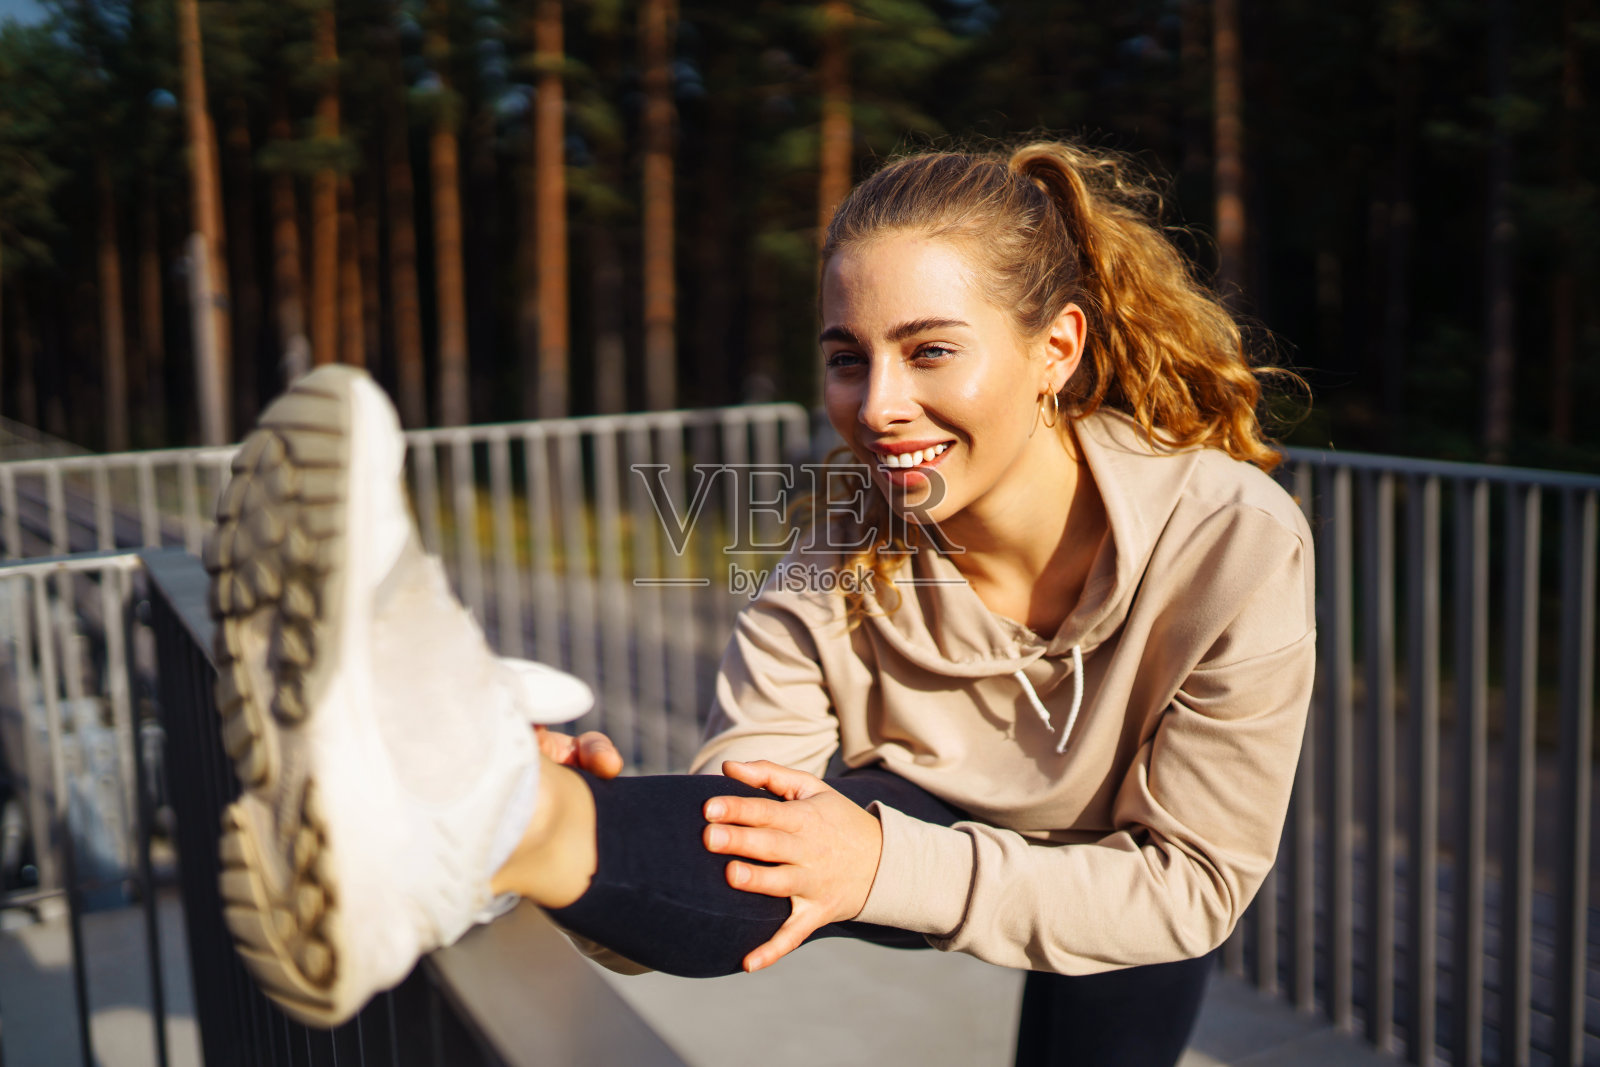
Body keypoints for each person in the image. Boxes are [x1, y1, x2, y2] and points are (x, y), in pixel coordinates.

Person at [203, 140, 1314, 1066]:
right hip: (930, 810)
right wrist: (595, 835)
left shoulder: (1230, 538)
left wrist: (876, 864)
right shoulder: (835, 549)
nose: (878, 406)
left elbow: (1194, 883)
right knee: (763, 834)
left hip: (1135, 865)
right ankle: (488, 816)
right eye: (847, 358)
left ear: (1054, 348)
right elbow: (734, 834)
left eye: (930, 350)